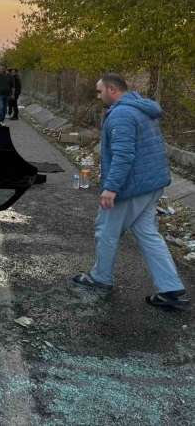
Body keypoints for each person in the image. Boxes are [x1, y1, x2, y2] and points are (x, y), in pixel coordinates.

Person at [73, 74, 188, 308]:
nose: (98, 96)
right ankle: (170, 288)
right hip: (151, 184)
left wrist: (110, 188)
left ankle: (100, 278)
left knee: (106, 230)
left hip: (132, 186)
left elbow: (123, 155)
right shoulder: (141, 108)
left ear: (112, 89)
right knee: (148, 233)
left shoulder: (122, 114)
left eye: (99, 91)